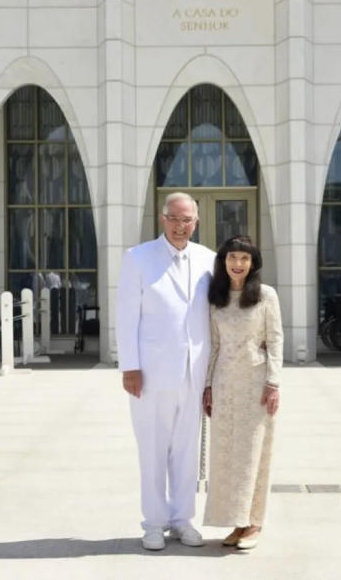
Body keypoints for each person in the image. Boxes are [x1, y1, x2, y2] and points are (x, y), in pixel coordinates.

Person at [116, 192, 216, 551]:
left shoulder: (209, 259)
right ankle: (154, 523)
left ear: (196, 222)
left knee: (187, 450)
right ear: (162, 220)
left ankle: (182, 519)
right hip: (151, 374)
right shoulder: (139, 258)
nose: (180, 226)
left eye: (186, 220)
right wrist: (130, 366)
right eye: (173, 218)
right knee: (154, 450)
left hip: (194, 372)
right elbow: (126, 316)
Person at [202, 235, 283, 550]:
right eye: (232, 258)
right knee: (226, 456)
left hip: (256, 384)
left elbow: (275, 341)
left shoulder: (266, 296)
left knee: (253, 453)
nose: (238, 264)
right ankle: (237, 521)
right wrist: (207, 385)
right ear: (224, 262)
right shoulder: (217, 298)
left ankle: (254, 522)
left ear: (253, 263)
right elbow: (214, 345)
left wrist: (273, 383)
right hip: (224, 384)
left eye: (244, 259)